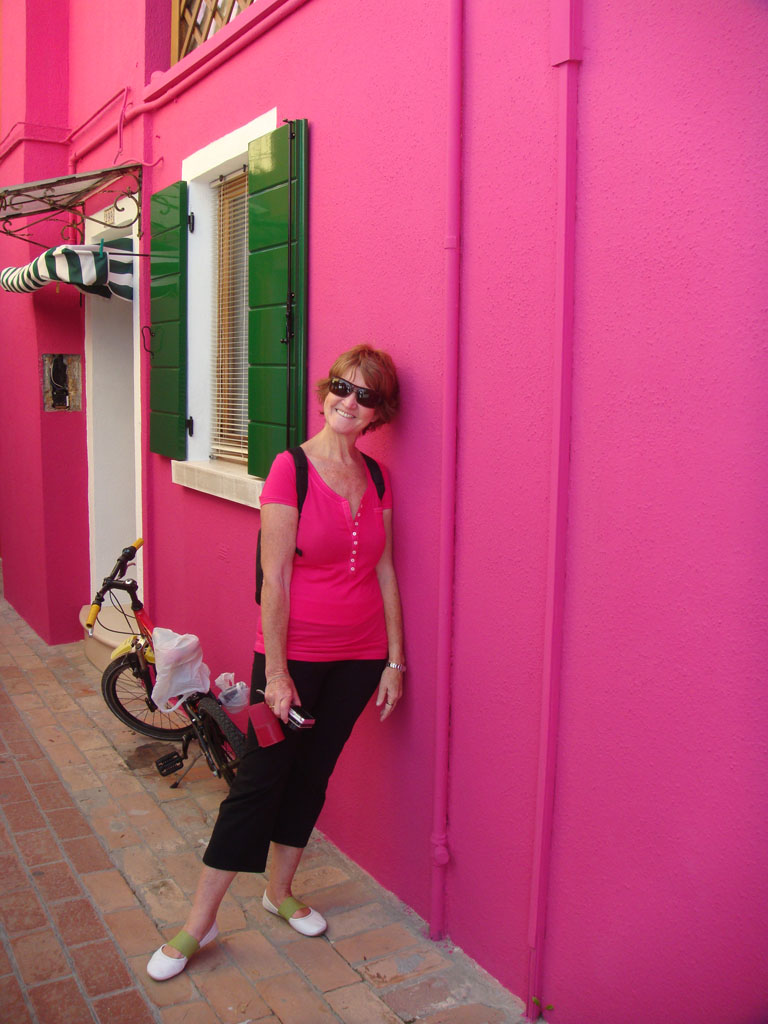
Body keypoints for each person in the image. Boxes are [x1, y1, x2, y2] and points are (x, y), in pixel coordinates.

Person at [148, 344, 405, 981]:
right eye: (342, 386)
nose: (349, 401)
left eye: (365, 395)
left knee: (314, 774)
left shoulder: (377, 477)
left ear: (378, 412)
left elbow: (384, 571)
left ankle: (279, 891)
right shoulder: (290, 469)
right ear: (325, 392)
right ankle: (198, 923)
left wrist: (395, 661)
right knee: (260, 780)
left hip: (360, 656)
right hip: (292, 657)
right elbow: (276, 580)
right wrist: (278, 673)